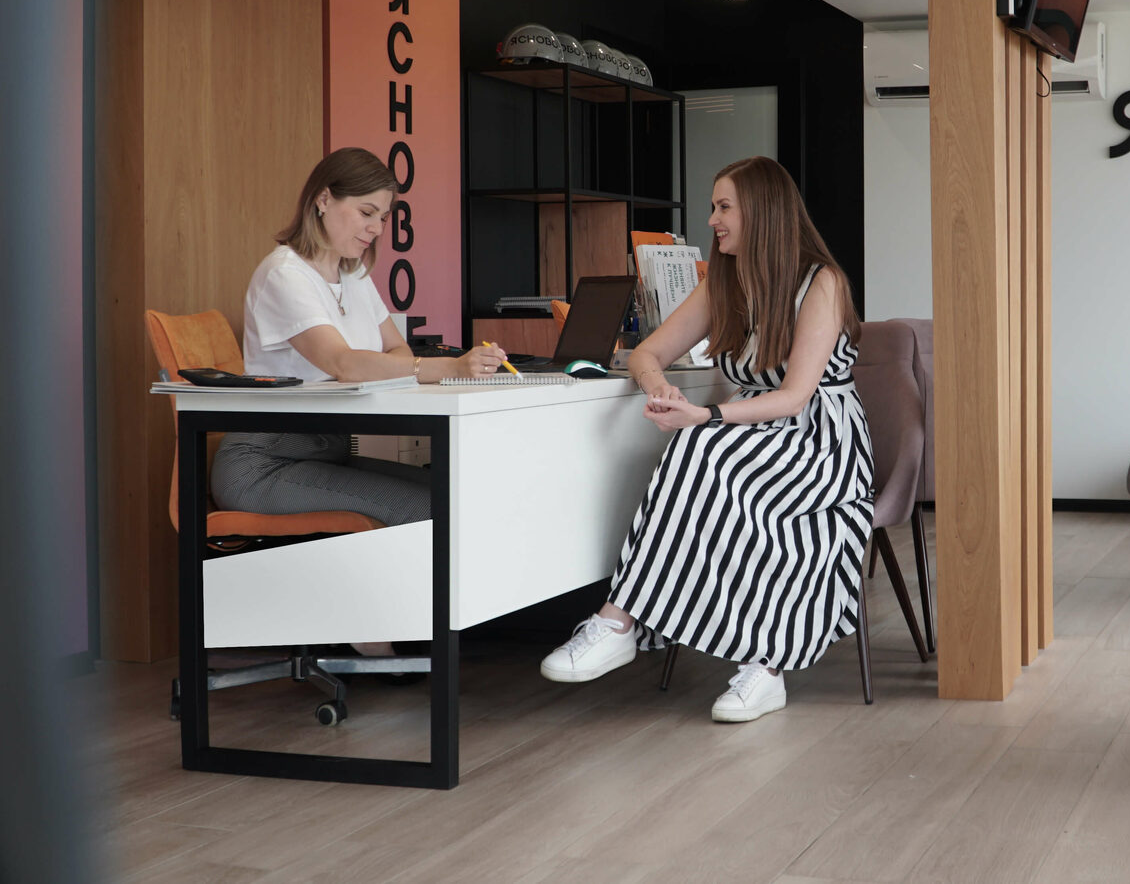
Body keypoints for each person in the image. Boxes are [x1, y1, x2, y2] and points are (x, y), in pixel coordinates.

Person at [539, 156, 874, 723]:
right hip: (754, 430)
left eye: (724, 207)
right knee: (700, 450)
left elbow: (795, 398)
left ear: (761, 212)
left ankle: (630, 622)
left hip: (820, 440)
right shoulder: (726, 282)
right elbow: (647, 353)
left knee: (699, 446)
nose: (713, 220)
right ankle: (633, 626)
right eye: (713, 207)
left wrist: (707, 416)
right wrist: (660, 388)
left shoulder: (822, 283)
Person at [209, 147, 505, 534]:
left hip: (323, 455)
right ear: (323, 199)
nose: (377, 229)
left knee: (464, 496)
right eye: (366, 213)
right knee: (436, 508)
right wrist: (451, 367)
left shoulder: (353, 275)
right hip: (261, 466)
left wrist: (388, 365)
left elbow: (397, 350)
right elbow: (343, 364)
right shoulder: (284, 274)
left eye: (383, 217)